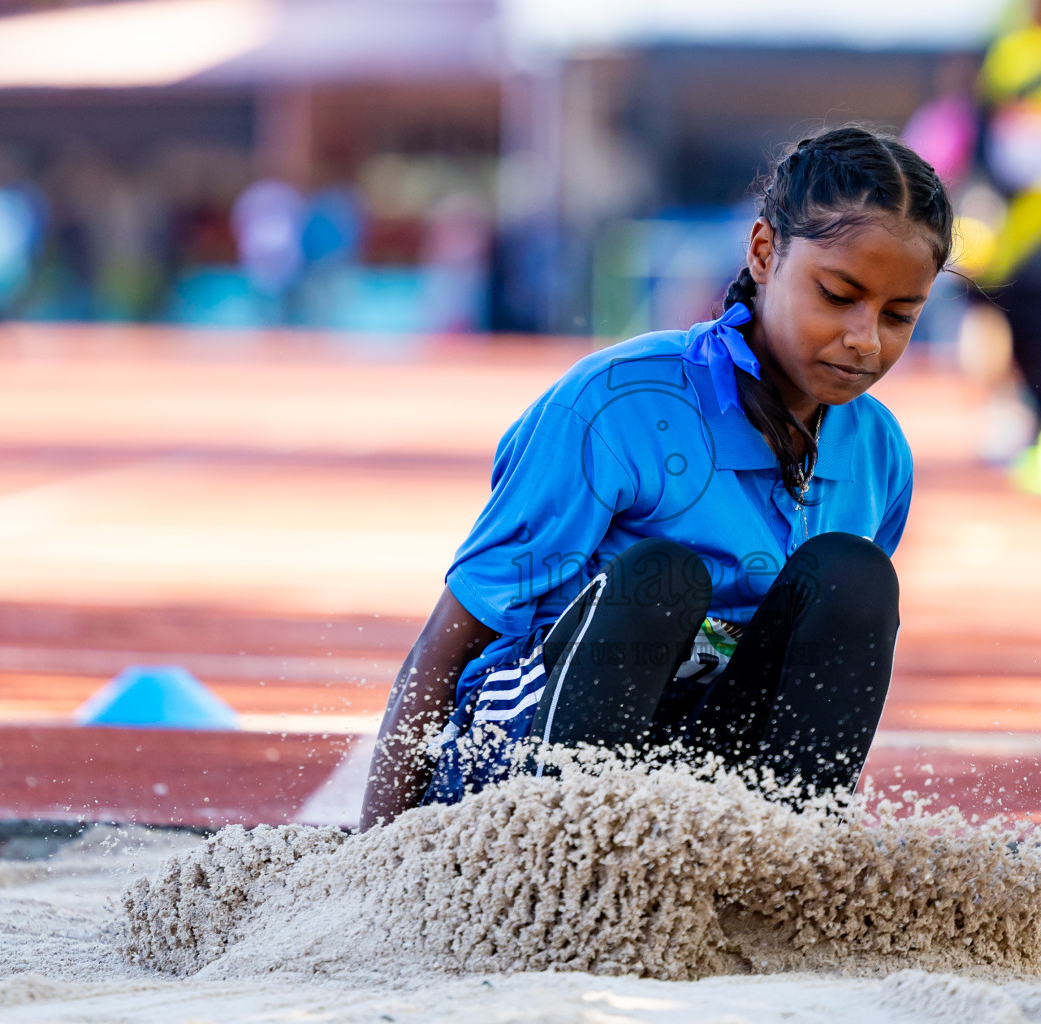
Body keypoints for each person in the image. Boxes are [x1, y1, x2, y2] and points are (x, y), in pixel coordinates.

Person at [360, 125, 953, 828]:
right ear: (765, 253)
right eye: (837, 295)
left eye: (898, 315)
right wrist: (374, 852)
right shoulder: (615, 407)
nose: (865, 339)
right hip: (529, 757)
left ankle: (788, 873)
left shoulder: (879, 453)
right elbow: (452, 638)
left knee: (853, 576)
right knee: (662, 579)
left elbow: (816, 672)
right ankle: (562, 865)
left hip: (693, 768)